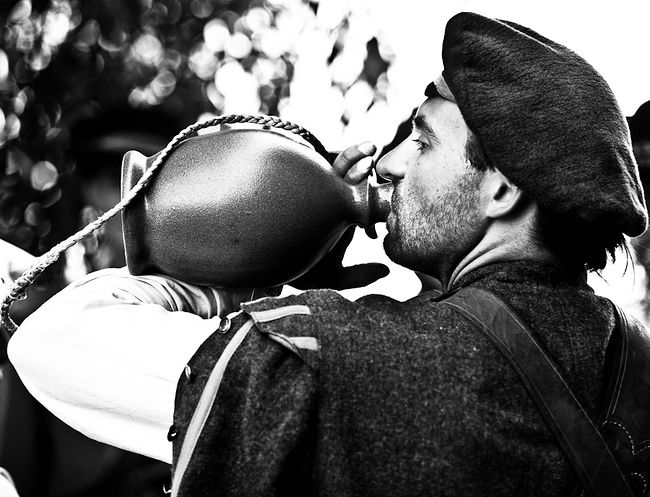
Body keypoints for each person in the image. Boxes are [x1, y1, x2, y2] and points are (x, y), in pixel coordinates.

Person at [6, 11, 650, 497]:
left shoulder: (343, 358)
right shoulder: (635, 361)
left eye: (422, 141)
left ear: (502, 189)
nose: (387, 164)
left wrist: (242, 282)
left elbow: (55, 342)